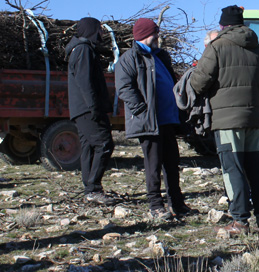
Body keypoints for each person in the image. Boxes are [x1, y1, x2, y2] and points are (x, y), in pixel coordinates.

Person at [190, 5, 259, 234]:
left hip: (227, 121)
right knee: (256, 169)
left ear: (222, 25)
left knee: (232, 169)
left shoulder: (217, 47)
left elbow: (198, 83)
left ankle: (240, 221)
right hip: (253, 120)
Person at [115, 18, 191, 220]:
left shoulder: (160, 56)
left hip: (168, 120)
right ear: (144, 35)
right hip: (150, 122)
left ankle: (177, 204)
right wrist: (142, 109)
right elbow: (124, 87)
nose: (158, 36)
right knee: (153, 166)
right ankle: (156, 205)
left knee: (172, 164)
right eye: (154, 33)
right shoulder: (130, 58)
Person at [66, 17, 115, 205]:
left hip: (81, 109)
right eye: (99, 29)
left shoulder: (79, 49)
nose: (102, 33)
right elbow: (85, 82)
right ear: (92, 30)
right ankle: (93, 189)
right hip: (88, 109)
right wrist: (95, 107)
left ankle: (90, 189)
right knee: (104, 144)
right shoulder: (83, 50)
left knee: (89, 147)